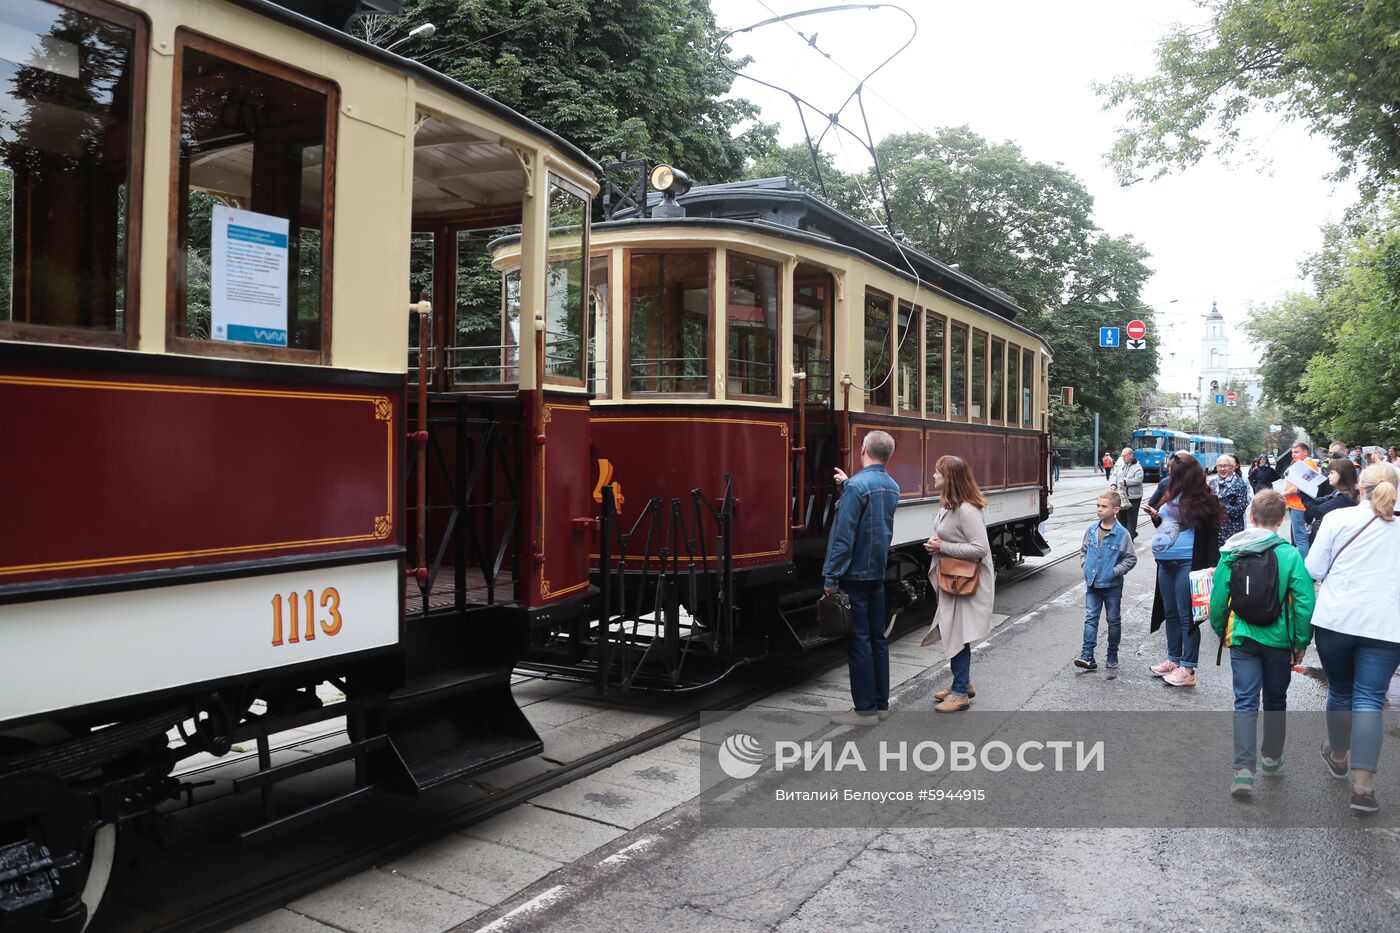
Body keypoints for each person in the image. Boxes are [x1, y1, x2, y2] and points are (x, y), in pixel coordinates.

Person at [1305, 464, 1400, 814]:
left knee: (1341, 691)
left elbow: (1314, 569)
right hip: (1387, 627)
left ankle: (1339, 755)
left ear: (1360, 488)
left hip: (1336, 620)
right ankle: (1363, 788)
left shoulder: (1337, 520)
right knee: (1369, 701)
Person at [1209, 491, 1315, 798]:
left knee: (1244, 701)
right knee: (1276, 699)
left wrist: (1222, 631)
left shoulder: (1232, 551)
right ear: (1282, 521)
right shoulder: (1290, 555)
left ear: (1251, 517)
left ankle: (1243, 770)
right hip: (1279, 640)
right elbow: (1304, 603)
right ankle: (1271, 757)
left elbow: (1218, 600)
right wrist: (1301, 642)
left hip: (1243, 636)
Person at [822, 430, 901, 726]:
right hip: (876, 575)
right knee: (878, 639)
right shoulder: (891, 486)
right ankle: (880, 705)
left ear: (864, 448)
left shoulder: (857, 488)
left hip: (853, 575)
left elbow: (844, 539)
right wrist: (848, 486)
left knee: (859, 642)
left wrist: (830, 578)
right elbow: (872, 519)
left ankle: (864, 710)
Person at [921, 455, 995, 713]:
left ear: (948, 477)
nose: (933, 477)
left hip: (968, 581)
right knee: (953, 628)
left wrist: (943, 546)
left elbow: (979, 549)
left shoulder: (966, 509)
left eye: (937, 473)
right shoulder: (949, 505)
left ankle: (961, 692)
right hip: (954, 578)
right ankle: (961, 684)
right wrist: (937, 545)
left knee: (958, 631)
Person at [1146, 455, 1224, 687]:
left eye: (1174, 471)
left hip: (1188, 563)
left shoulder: (1203, 497)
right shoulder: (1170, 492)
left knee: (1186, 616)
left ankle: (1188, 667)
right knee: (1170, 612)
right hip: (1166, 563)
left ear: (1187, 473)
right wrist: (1157, 518)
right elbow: (1167, 525)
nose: (1170, 475)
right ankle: (1173, 659)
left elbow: (1210, 532)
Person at [1074, 491, 1137, 670]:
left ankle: (1112, 653)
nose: (1099, 510)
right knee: (1090, 618)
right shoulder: (1092, 530)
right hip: (1092, 583)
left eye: (1103, 506)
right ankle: (1087, 655)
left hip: (1112, 586)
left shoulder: (1122, 534)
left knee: (1113, 620)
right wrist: (1085, 565)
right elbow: (1084, 550)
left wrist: (1115, 571)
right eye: (1098, 506)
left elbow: (1130, 558)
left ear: (1115, 510)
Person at [1279, 441, 1325, 559]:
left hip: (1299, 505)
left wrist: (1282, 494)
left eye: (1296, 452)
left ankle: (1304, 567)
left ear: (1305, 452)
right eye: (1293, 452)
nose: (1293, 454)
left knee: (1300, 538)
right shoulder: (1304, 463)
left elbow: (1299, 487)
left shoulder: (1307, 464)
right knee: (1300, 537)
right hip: (1297, 505)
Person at [1304, 458, 1359, 548]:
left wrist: (1303, 496)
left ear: (1342, 475)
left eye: (1332, 473)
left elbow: (1317, 511)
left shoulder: (1345, 497)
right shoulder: (1340, 492)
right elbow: (1320, 500)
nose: (1329, 476)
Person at [1211, 454, 1250, 545]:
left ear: (1231, 467)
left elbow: (1240, 509)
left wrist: (1220, 506)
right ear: (1216, 468)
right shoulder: (1212, 483)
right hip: (1215, 530)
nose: (1222, 469)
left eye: (1225, 466)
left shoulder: (1239, 484)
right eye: (1220, 466)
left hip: (1232, 530)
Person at [1109, 447, 1145, 539]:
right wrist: (1113, 484)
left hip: (1134, 497)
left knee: (1131, 519)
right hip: (1122, 496)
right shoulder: (1121, 465)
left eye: (1125, 456)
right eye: (1122, 456)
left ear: (1131, 456)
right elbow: (1114, 475)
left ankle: (1130, 538)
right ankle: (1130, 533)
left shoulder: (1138, 467)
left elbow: (1138, 480)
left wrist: (1126, 482)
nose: (1123, 457)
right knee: (1120, 517)